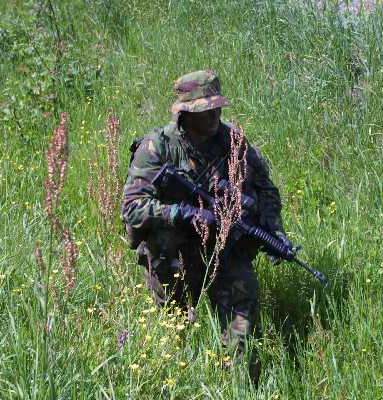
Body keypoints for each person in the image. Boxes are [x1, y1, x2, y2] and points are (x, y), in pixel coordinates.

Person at [121, 70, 289, 380]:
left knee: (243, 319)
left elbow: (266, 189)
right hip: (174, 256)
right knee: (174, 336)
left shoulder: (233, 141)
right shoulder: (157, 147)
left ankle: (241, 385)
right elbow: (132, 208)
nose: (214, 115)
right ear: (185, 112)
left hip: (223, 250)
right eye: (204, 110)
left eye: (217, 107)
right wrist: (184, 213)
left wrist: (274, 231)